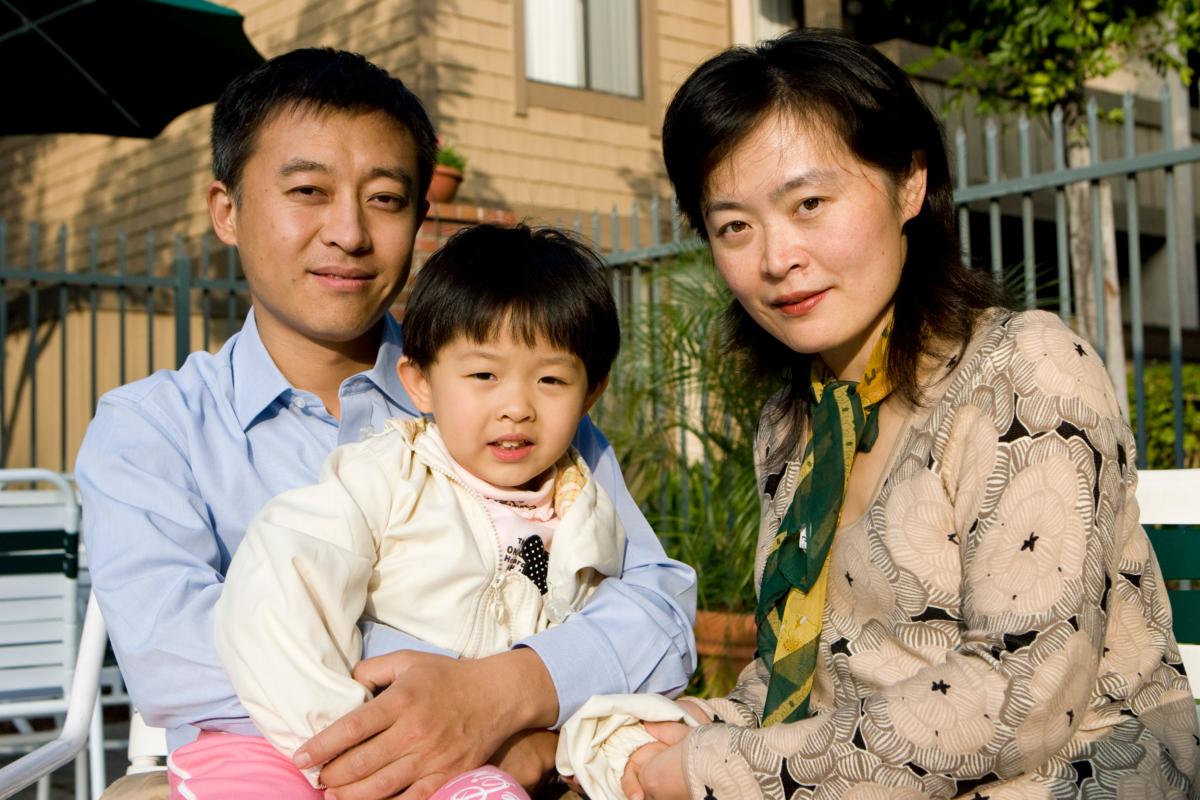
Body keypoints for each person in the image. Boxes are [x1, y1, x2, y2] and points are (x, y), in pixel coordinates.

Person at [75, 48, 697, 800]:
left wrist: (509, 691)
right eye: (308, 190)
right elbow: (177, 659)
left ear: (419, 219)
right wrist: (460, 704)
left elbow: (657, 607)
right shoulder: (152, 430)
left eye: (386, 199)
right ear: (227, 211)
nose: (348, 232)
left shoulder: (506, 406)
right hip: (259, 769)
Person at [615, 28, 1199, 800]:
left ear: (910, 185)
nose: (775, 257)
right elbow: (810, 685)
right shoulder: (795, 423)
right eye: (734, 226)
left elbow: (1021, 698)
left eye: (810, 203)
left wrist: (706, 771)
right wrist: (685, 725)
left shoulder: (1025, 371)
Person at [179, 223, 625, 798]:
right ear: (419, 382)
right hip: (300, 738)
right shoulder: (386, 475)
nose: (516, 407)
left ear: (591, 393)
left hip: (467, 764)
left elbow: (600, 663)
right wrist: (348, 741)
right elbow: (279, 585)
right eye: (483, 375)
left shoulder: (585, 513)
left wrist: (581, 748)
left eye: (550, 380)